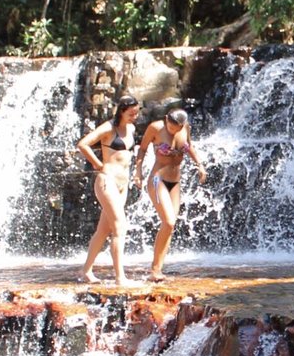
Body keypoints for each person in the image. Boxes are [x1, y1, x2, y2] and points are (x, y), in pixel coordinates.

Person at [75, 94, 142, 284]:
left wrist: (137, 174)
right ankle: (120, 277)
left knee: (103, 230)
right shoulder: (108, 128)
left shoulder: (131, 128)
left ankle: (86, 271)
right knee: (120, 226)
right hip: (107, 181)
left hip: (123, 185)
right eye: (131, 113)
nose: (135, 117)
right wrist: (97, 164)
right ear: (122, 111)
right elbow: (83, 144)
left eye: (137, 113)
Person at [135, 107, 206, 282]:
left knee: (170, 227)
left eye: (177, 128)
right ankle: (154, 270)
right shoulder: (156, 128)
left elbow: (189, 146)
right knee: (168, 221)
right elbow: (142, 149)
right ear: (166, 119)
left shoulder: (185, 128)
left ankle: (158, 269)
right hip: (157, 179)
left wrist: (200, 164)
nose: (173, 130)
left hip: (175, 181)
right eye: (171, 126)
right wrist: (138, 172)